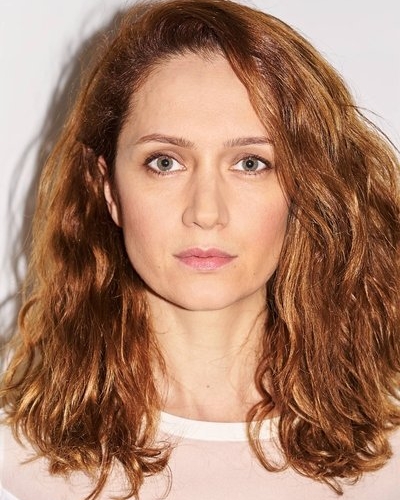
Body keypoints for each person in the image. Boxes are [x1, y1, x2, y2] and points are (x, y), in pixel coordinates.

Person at [1, 0, 399, 499]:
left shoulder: (389, 461)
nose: (206, 212)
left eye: (250, 163)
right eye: (165, 162)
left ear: (304, 188)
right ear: (108, 190)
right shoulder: (13, 466)